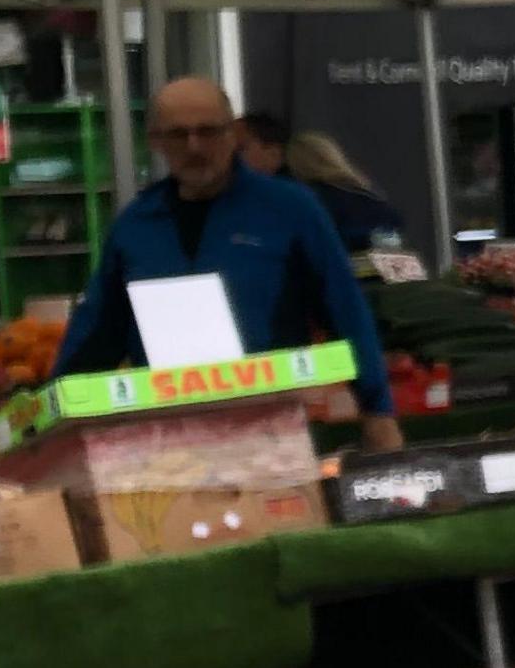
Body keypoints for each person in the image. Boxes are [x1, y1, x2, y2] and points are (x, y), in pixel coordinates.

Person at [58, 77, 404, 452]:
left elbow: (344, 307)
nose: (194, 147)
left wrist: (377, 409)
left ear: (232, 134)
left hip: (272, 430)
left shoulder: (289, 208)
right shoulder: (135, 225)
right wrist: (56, 413)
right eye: (178, 135)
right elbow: (98, 331)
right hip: (166, 438)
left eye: (207, 132)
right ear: (155, 141)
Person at [237, 108, 412, 250]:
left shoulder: (297, 200)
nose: (232, 158)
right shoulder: (369, 196)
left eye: (240, 149)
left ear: (277, 152)